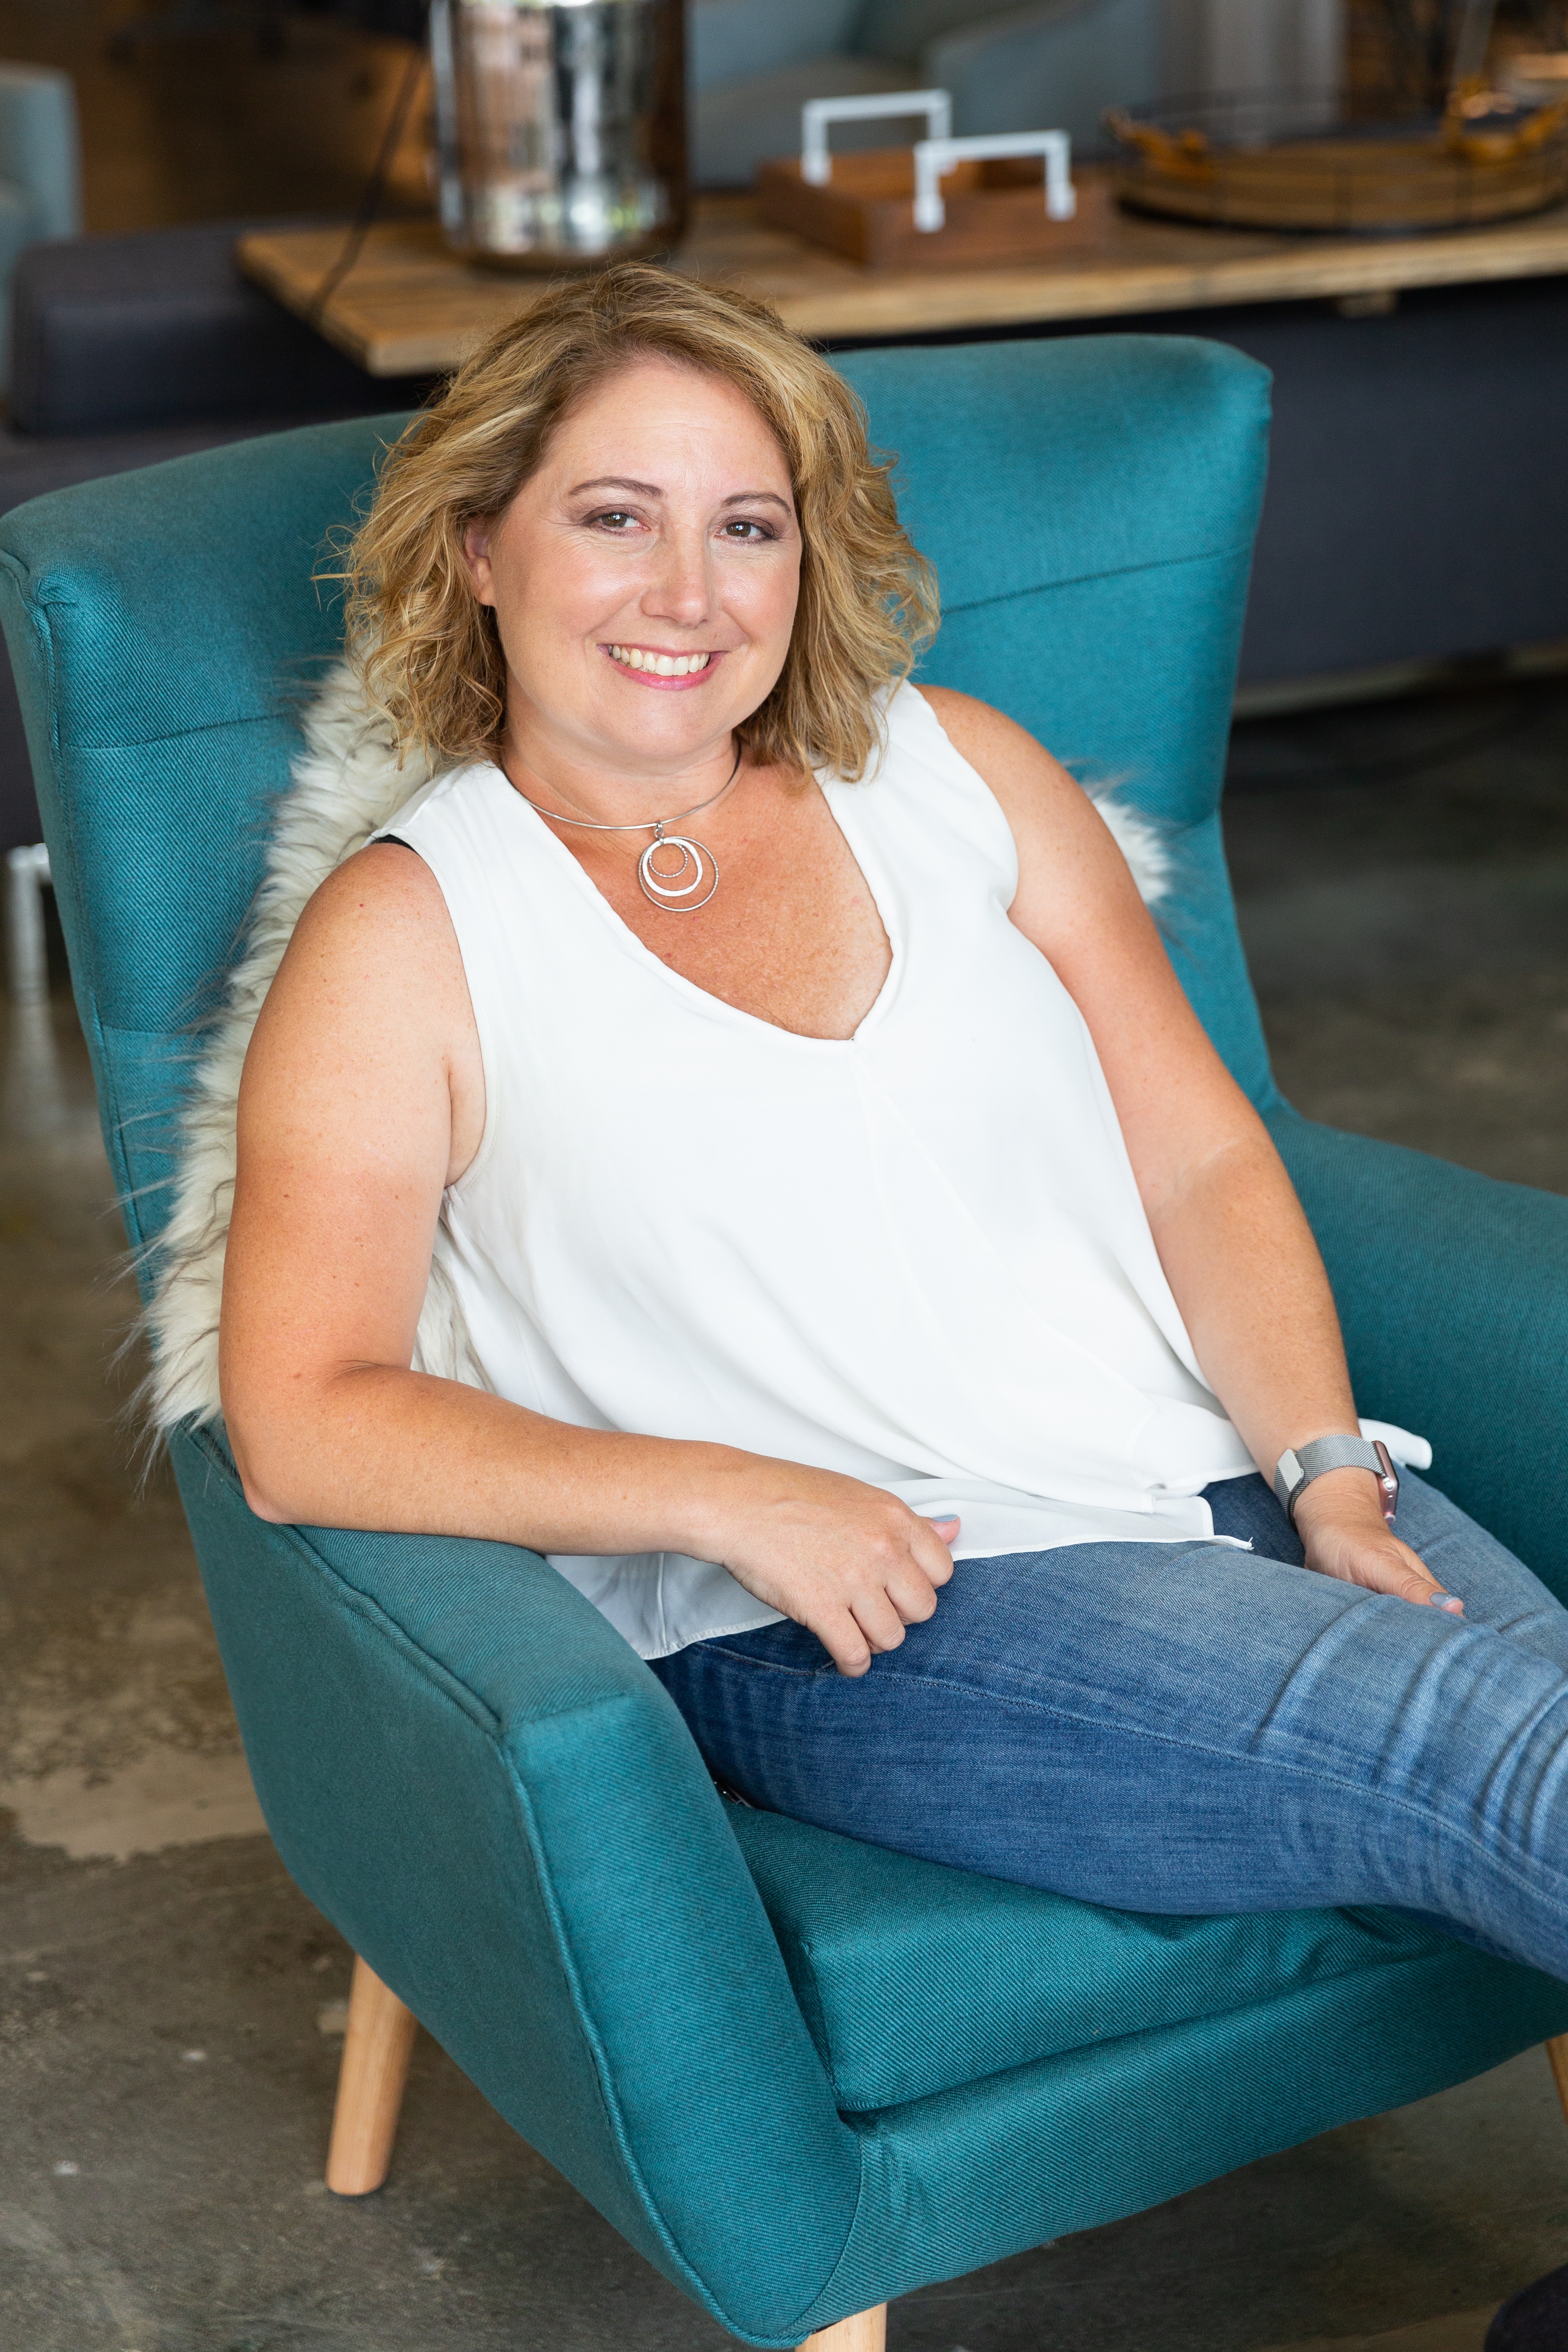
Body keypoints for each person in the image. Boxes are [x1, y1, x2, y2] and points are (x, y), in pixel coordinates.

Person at [219, 267, 1567, 2343]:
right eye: (613, 515)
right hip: (884, 1600)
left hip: (1202, 1463)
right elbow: (302, 1408)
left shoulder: (957, 774)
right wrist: (723, 1494)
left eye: (745, 523)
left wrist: (1320, 1469)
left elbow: (1202, 1161)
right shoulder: (408, 937)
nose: (687, 589)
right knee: (1510, 1757)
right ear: (479, 546)